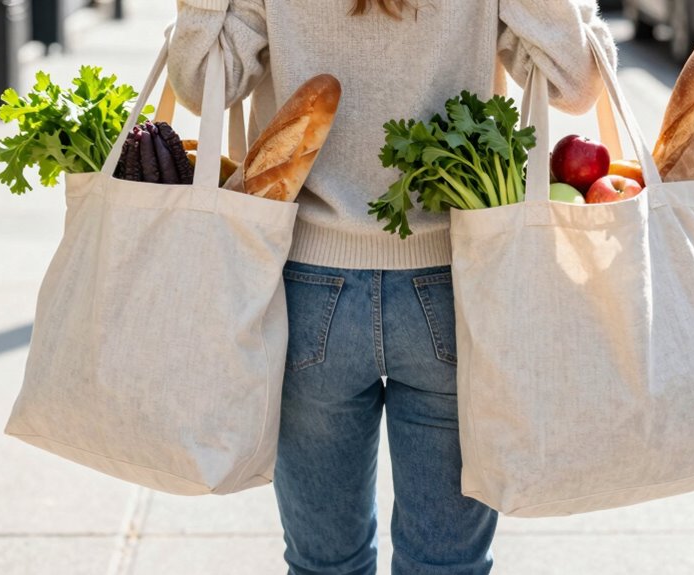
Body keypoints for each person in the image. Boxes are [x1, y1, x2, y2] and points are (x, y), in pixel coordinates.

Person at [167, 1, 617, 573]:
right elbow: (576, 86)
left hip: (308, 289)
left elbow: (202, 84)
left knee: (323, 564)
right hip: (456, 286)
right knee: (447, 564)